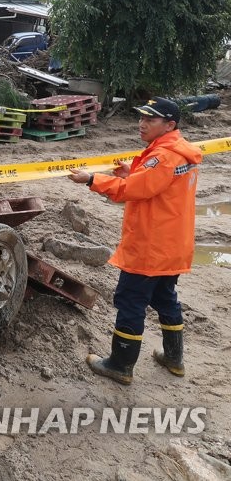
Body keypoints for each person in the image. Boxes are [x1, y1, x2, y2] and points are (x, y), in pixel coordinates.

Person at [68, 98, 202, 385]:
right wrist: (137, 172)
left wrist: (92, 179)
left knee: (130, 301)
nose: (141, 124)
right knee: (165, 298)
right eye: (141, 118)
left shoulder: (164, 157)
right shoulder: (179, 153)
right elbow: (159, 186)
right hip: (173, 246)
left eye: (150, 120)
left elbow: (132, 190)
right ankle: (174, 359)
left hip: (150, 247)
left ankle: (120, 365)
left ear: (170, 125)